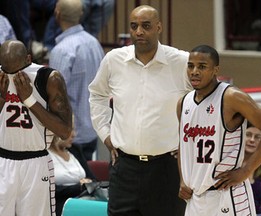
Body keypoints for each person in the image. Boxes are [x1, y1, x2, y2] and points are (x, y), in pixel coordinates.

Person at [88, 4, 192, 216]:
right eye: (134, 26)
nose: (139, 32)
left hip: (166, 168)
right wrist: (105, 134)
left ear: (159, 27)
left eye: (146, 26)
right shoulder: (114, 60)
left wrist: (187, 142)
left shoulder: (181, 61)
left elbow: (204, 102)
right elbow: (97, 95)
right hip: (123, 166)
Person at [177, 44, 261, 216]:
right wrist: (183, 179)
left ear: (215, 70)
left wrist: (246, 170)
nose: (194, 71)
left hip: (227, 196)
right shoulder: (183, 103)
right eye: (191, 66)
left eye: (202, 66)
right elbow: (184, 145)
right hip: (195, 198)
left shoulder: (231, 97)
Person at [0, 40, 72, 216]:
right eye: (6, 70)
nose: (12, 76)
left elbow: (64, 131)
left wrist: (29, 100)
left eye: (16, 71)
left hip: (35, 163)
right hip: (2, 160)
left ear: (28, 59)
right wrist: (1, 100)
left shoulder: (49, 78)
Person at [49, 0, 104, 161]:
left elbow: (55, 96)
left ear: (57, 14)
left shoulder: (62, 50)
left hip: (69, 135)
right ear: (81, 15)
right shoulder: (94, 43)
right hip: (92, 130)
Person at [48, 128, 96, 216]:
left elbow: (93, 180)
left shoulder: (75, 149)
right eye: (70, 130)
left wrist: (84, 186)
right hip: (58, 204)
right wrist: (79, 187)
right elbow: (48, 190)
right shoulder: (45, 155)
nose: (74, 135)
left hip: (83, 199)